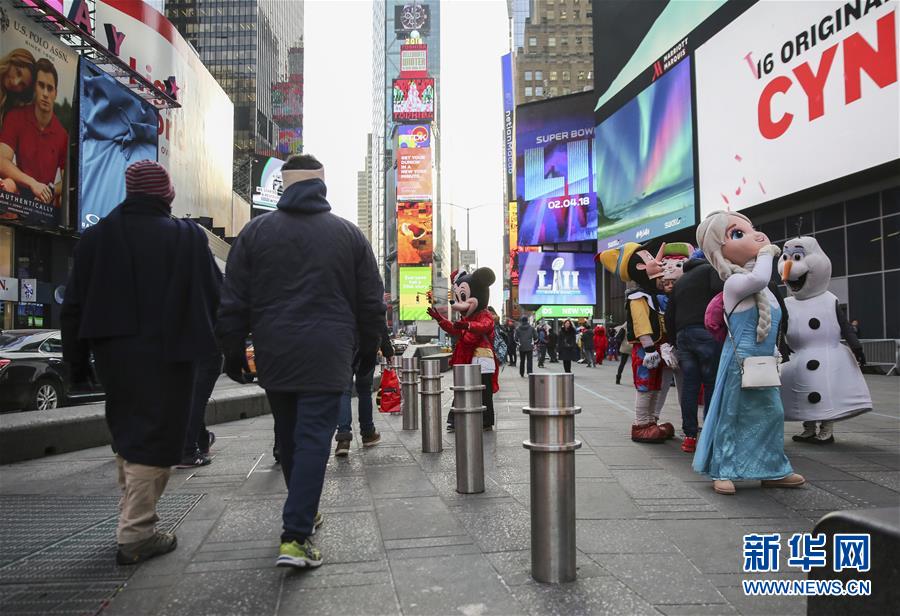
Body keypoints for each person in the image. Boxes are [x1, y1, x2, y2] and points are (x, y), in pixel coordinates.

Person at [217, 154, 386, 569]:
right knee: (313, 438)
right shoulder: (348, 235)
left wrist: (233, 351)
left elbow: (233, 300)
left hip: (275, 350)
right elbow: (370, 303)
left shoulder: (255, 233)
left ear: (285, 186)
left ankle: (304, 513)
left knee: (290, 436)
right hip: (329, 352)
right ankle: (295, 535)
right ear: (321, 185)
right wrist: (368, 350)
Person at [61, 160, 220, 565]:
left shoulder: (95, 239)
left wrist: (75, 365)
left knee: (128, 427)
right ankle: (136, 533)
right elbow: (217, 295)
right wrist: (229, 346)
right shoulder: (186, 237)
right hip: (172, 354)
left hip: (114, 355)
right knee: (160, 437)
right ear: (166, 194)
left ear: (130, 192)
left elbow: (73, 307)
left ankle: (132, 514)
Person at [694, 210, 805, 495]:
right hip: (739, 363)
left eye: (751, 228)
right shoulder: (734, 284)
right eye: (738, 234)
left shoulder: (764, 286)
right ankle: (724, 469)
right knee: (732, 415)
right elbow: (757, 279)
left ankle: (772, 468)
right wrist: (767, 252)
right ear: (719, 252)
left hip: (765, 363)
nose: (755, 235)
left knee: (772, 414)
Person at [778, 236, 871, 445]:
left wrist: (856, 347)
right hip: (798, 356)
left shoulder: (829, 300)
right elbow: (781, 329)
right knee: (799, 394)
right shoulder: (787, 303)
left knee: (827, 392)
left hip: (828, 355)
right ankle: (808, 428)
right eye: (785, 257)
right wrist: (782, 350)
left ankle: (826, 428)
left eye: (798, 257)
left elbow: (845, 326)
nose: (789, 265)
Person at [597, 243, 675, 443]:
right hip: (645, 350)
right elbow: (641, 324)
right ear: (638, 267)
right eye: (647, 257)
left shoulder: (653, 296)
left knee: (656, 386)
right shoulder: (637, 297)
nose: (653, 260)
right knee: (645, 386)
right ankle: (641, 424)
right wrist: (649, 347)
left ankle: (651, 422)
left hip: (657, 347)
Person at [664, 248, 724, 453]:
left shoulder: (680, 282)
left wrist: (674, 342)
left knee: (689, 385)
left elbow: (668, 316)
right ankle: (709, 434)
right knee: (710, 384)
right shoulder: (710, 271)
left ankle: (689, 436)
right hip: (705, 333)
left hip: (683, 337)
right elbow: (720, 294)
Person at [427, 268, 499, 431]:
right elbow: (455, 329)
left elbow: (484, 326)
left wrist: (468, 325)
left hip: (483, 358)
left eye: (464, 297)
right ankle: (455, 419)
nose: (460, 303)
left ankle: (486, 421)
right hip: (467, 358)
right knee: (462, 387)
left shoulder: (484, 315)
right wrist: (440, 319)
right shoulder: (466, 318)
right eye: (459, 298)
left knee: (484, 392)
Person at [0, 58, 67, 205]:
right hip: (18, 197)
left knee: (63, 202)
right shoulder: (16, 117)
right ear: (34, 88)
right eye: (41, 86)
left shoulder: (62, 134)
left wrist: (50, 190)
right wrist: (33, 184)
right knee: (8, 184)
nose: (45, 93)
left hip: (45, 205)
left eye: (50, 88)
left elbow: (68, 179)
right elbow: (2, 161)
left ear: (55, 93)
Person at [334, 319, 393, 456]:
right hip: (366, 346)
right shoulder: (368, 297)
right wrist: (387, 350)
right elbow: (378, 318)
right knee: (365, 390)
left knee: (344, 390)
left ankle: (343, 438)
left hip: (343, 344)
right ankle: (367, 433)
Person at [177, 351, 222, 468]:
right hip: (205, 347)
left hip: (177, 349)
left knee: (189, 396)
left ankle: (201, 440)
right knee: (197, 398)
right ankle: (188, 451)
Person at [0, 48, 35, 126]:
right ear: (12, 61)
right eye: (18, 72)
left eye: (22, 84)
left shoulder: (9, 109)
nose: (15, 83)